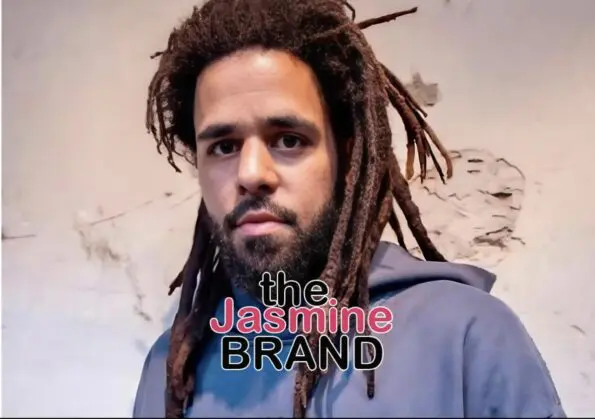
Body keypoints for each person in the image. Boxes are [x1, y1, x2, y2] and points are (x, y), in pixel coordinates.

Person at [133, 1, 565, 417]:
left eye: (288, 140)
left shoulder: (467, 337)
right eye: (224, 147)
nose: (251, 173)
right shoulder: (170, 370)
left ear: (344, 154)